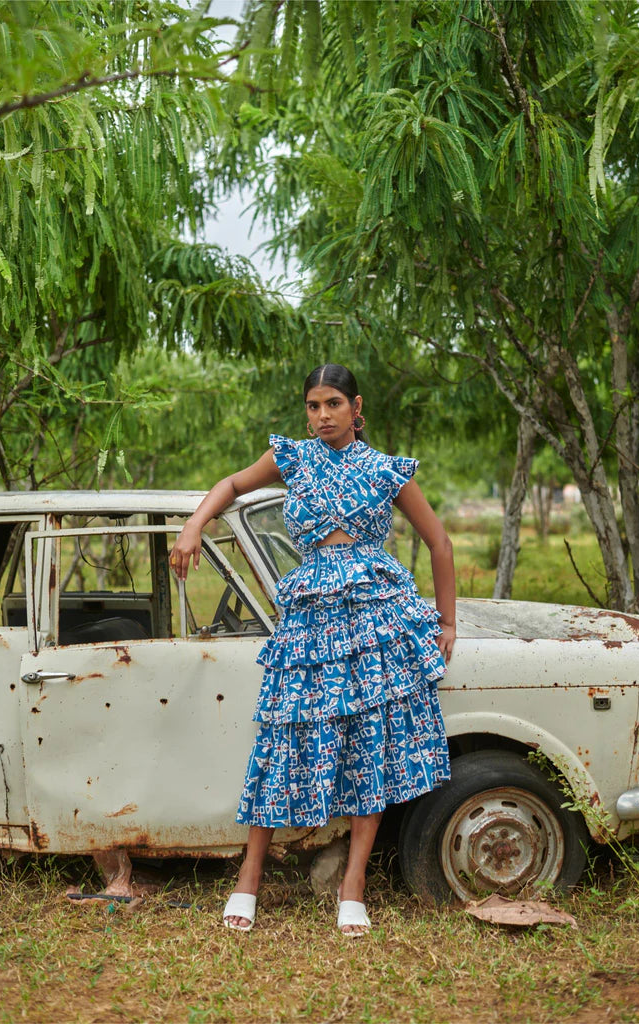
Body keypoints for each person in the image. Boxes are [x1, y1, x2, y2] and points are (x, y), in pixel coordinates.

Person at [170, 363, 456, 936]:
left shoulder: (384, 470)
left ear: (356, 408)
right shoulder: (293, 459)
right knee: (284, 736)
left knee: (372, 743)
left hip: (376, 618)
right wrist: (193, 526)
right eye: (312, 406)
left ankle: (353, 888)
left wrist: (448, 623)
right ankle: (248, 878)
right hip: (309, 616)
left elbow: (440, 542)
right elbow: (231, 486)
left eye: (332, 404)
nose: (321, 415)